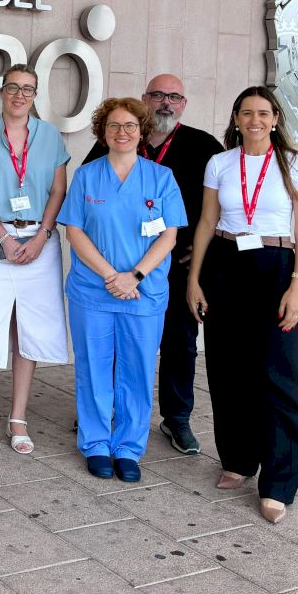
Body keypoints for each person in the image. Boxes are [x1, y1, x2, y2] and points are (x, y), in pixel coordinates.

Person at [186, 86, 298, 525]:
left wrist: (297, 285)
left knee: (279, 374)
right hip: (225, 264)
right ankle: (238, 459)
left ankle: (279, 483)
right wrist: (194, 279)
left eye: (263, 113)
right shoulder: (220, 163)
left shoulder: (295, 164)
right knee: (228, 369)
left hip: (276, 266)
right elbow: (207, 221)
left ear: (276, 118)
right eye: (246, 113)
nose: (254, 120)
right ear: (236, 119)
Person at [81, 75, 222, 455]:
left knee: (180, 343)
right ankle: (105, 412)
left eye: (174, 96)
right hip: (116, 270)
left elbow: (221, 204)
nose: (165, 103)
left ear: (184, 104)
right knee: (115, 343)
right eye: (158, 95)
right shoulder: (115, 140)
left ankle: (176, 418)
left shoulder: (204, 146)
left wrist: (201, 250)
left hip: (175, 266)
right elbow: (86, 200)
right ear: (145, 100)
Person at [58, 98, 186, 483]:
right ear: (103, 132)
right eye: (114, 125)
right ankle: (96, 443)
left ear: (142, 131)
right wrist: (112, 276)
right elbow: (74, 231)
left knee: (138, 370)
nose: (122, 132)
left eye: (130, 125)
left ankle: (129, 447)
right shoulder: (87, 176)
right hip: (93, 291)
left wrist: (135, 277)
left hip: (143, 293)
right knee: (93, 368)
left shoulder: (161, 178)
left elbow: (169, 235)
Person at [0, 64, 70, 454]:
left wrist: (42, 235)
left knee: (29, 329)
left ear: (35, 95)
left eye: (27, 89)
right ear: (1, 92)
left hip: (40, 240)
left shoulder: (51, 136)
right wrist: (4, 238)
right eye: (12, 87)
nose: (19, 95)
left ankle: (18, 417)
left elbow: (58, 191)